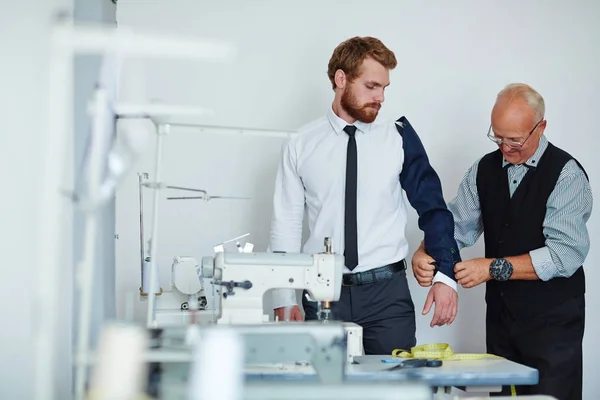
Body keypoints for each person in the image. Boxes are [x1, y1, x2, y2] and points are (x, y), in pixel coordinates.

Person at [268, 36, 462, 355]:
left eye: (385, 88)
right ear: (341, 79)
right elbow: (285, 224)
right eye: (372, 86)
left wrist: (445, 274)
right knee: (324, 389)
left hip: (387, 296)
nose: (381, 97)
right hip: (322, 292)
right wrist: (283, 297)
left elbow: (434, 210)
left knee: (392, 389)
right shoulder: (299, 144)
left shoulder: (399, 136)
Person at [412, 83, 592, 399]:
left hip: (553, 326)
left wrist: (491, 268)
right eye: (498, 137)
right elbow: (454, 227)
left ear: (541, 128)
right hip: (501, 322)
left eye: (515, 140)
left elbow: (563, 255)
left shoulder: (567, 176)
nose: (505, 148)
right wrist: (425, 249)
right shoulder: (483, 169)